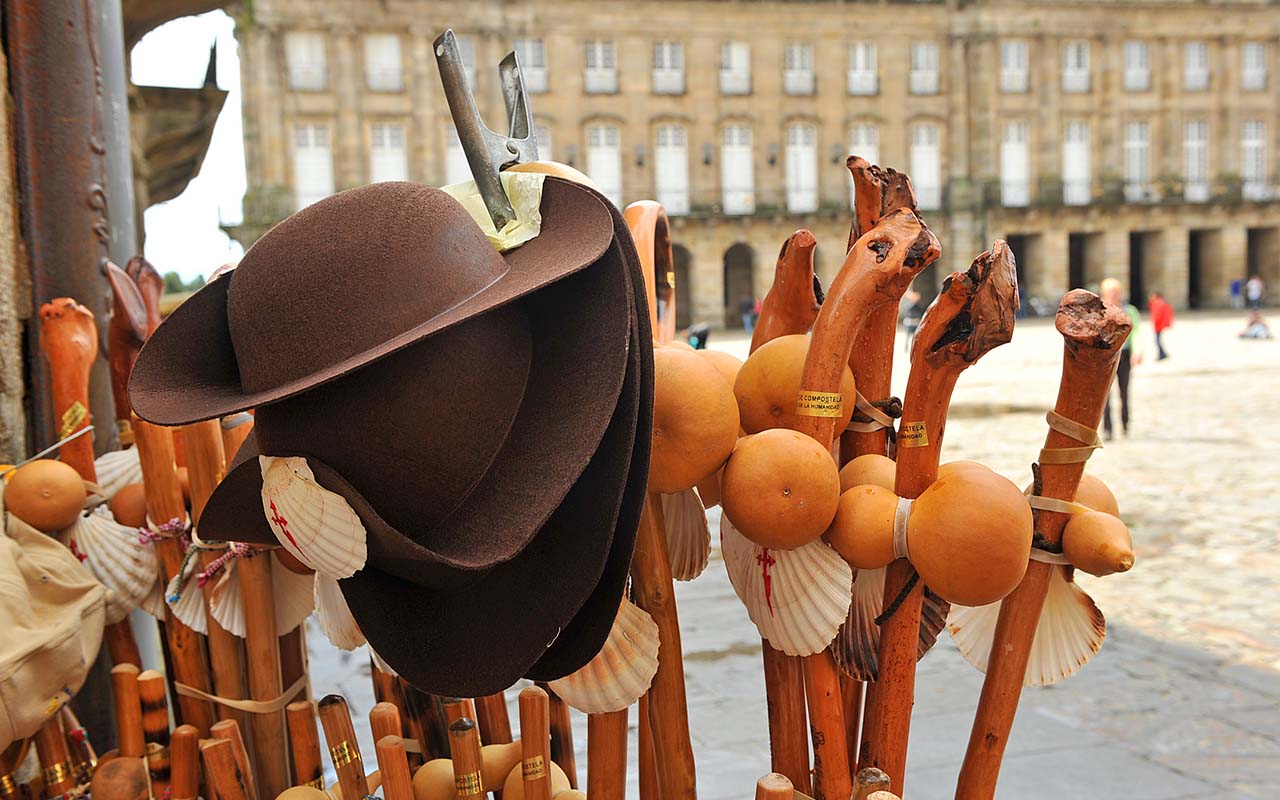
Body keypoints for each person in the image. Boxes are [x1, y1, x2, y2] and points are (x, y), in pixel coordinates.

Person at [1100, 278, 1143, 440]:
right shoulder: (1100, 312)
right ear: (1104, 294)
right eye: (1112, 292)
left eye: (1117, 292)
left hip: (1123, 355)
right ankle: (1107, 429)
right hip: (1105, 356)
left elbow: (1136, 332)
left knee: (1124, 391)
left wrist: (1137, 351)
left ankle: (1125, 422)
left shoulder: (1129, 311)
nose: (1115, 295)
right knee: (1104, 395)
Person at [1147, 290, 1174, 360]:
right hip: (1159, 324)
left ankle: (1162, 354)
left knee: (1157, 340)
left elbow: (1157, 314)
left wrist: (1155, 321)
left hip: (1158, 325)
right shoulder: (1158, 303)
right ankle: (1162, 354)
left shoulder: (1157, 303)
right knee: (1157, 340)